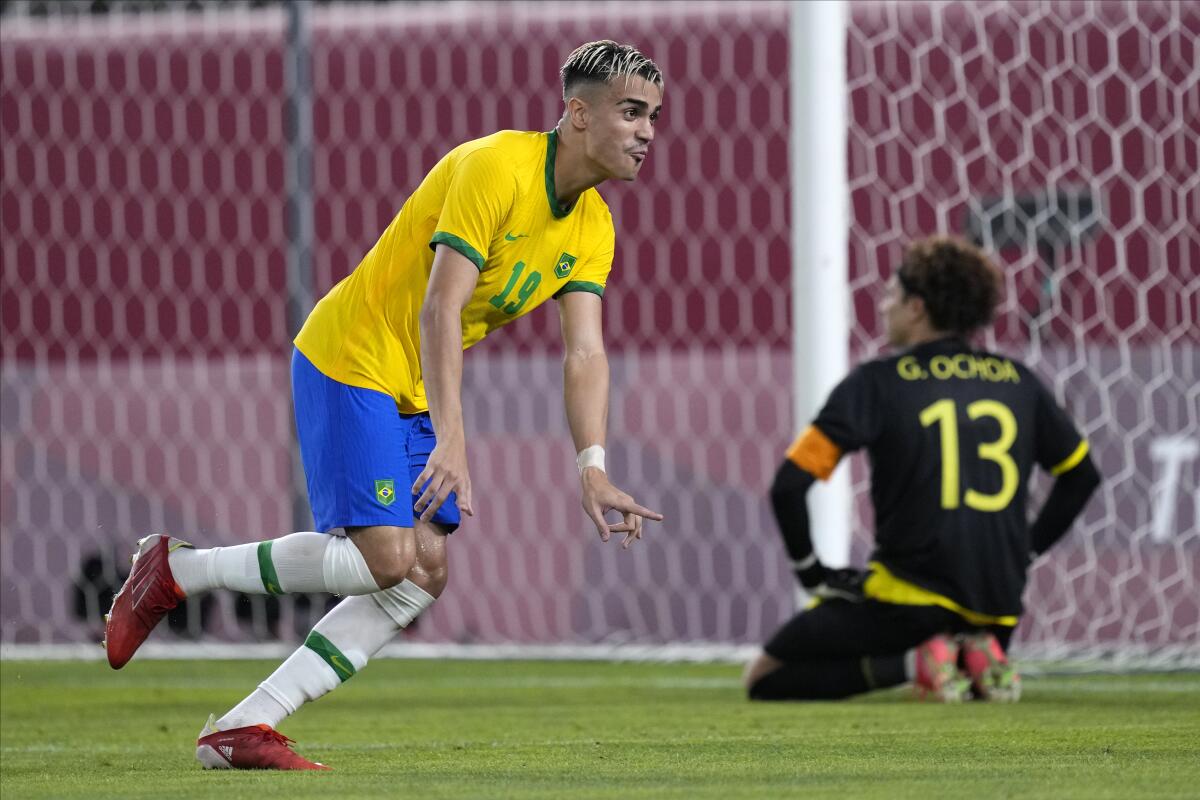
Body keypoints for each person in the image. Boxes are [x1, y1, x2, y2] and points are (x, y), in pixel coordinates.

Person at [104, 40, 665, 769]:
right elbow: (441, 308)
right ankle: (179, 570)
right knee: (387, 556)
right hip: (352, 355)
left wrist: (591, 464)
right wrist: (452, 438)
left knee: (425, 570)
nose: (648, 130)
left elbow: (585, 352)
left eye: (653, 116)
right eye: (631, 112)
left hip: (408, 385)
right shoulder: (495, 167)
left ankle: (242, 728)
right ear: (578, 114)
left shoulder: (593, 226)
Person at [744, 236, 1101, 703]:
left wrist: (813, 575)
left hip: (904, 605)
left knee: (766, 678)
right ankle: (976, 657)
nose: (884, 306)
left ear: (916, 307)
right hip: (998, 608)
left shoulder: (877, 382)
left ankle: (916, 662)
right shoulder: (1019, 381)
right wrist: (1024, 551)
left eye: (891, 295)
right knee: (968, 648)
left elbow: (790, 486)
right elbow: (1082, 476)